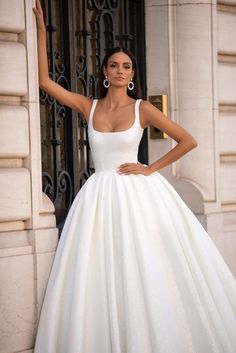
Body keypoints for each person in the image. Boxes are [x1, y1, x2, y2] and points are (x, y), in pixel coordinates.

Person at [33, 1, 236, 352]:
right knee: (97, 269)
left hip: (139, 193)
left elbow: (188, 140)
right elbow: (44, 82)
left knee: (145, 262)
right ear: (104, 72)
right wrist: (38, 28)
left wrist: (150, 168)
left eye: (126, 66)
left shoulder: (143, 108)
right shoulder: (89, 105)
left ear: (132, 74)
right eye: (114, 65)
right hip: (98, 197)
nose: (120, 71)